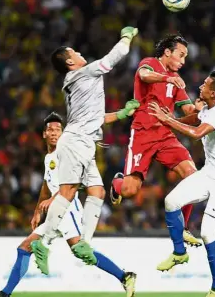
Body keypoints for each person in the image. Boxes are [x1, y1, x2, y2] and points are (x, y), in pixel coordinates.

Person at [0, 107, 140, 297]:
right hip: (57, 212)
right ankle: (4, 294)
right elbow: (47, 187)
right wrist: (38, 210)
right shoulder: (49, 158)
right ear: (44, 134)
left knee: (81, 250)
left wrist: (54, 199)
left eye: (58, 129)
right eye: (51, 129)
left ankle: (125, 276)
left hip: (68, 208)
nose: (54, 132)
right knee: (24, 249)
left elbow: (76, 183)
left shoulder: (68, 152)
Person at [31, 26, 139, 273]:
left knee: (98, 192)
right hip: (77, 141)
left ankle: (85, 244)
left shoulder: (78, 80)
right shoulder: (84, 73)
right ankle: (44, 242)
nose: (80, 53)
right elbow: (115, 57)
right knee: (68, 191)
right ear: (70, 61)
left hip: (84, 141)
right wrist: (126, 36)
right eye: (75, 52)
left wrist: (122, 113)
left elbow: (92, 116)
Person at [148, 71, 215, 297]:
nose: (200, 84)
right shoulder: (209, 108)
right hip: (208, 173)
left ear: (213, 93)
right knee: (171, 202)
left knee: (208, 233)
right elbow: (195, 119)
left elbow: (196, 133)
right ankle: (179, 252)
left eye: (205, 84)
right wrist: (172, 116)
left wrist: (167, 120)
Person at [110, 34, 201, 247]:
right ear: (167, 52)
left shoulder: (176, 81)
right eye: (181, 55)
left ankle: (184, 227)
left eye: (185, 56)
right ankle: (117, 182)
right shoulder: (151, 63)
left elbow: (188, 112)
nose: (183, 61)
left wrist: (199, 110)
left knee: (192, 176)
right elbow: (143, 76)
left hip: (166, 136)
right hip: (142, 135)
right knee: (130, 191)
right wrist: (167, 78)